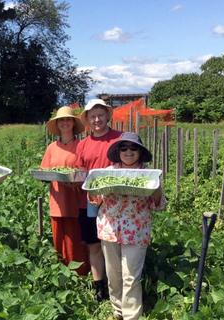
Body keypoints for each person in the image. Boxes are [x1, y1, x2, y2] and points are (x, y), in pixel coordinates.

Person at [93, 132, 167, 320]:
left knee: (131, 276)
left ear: (140, 152)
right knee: (114, 274)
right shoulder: (107, 173)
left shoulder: (148, 175)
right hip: (109, 229)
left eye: (133, 147)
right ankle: (118, 311)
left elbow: (159, 205)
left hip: (136, 230)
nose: (128, 151)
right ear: (118, 151)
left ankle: (131, 316)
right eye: (124, 147)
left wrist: (156, 188)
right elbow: (96, 200)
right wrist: (92, 190)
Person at [75, 99, 122, 301]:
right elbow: (80, 173)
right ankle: (100, 289)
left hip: (116, 202)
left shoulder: (120, 139)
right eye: (92, 116)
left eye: (100, 115)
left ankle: (118, 289)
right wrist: (71, 181)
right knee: (94, 246)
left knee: (115, 246)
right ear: (87, 120)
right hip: (90, 203)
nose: (97, 120)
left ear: (108, 116)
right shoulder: (83, 144)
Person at [40, 106, 90, 276]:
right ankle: (62, 275)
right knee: (59, 240)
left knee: (76, 240)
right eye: (61, 120)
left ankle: (80, 274)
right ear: (58, 124)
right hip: (57, 201)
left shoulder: (82, 146)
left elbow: (86, 173)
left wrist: (75, 182)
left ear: (74, 123)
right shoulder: (51, 148)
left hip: (76, 200)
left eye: (68, 119)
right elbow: (45, 171)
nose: (65, 123)